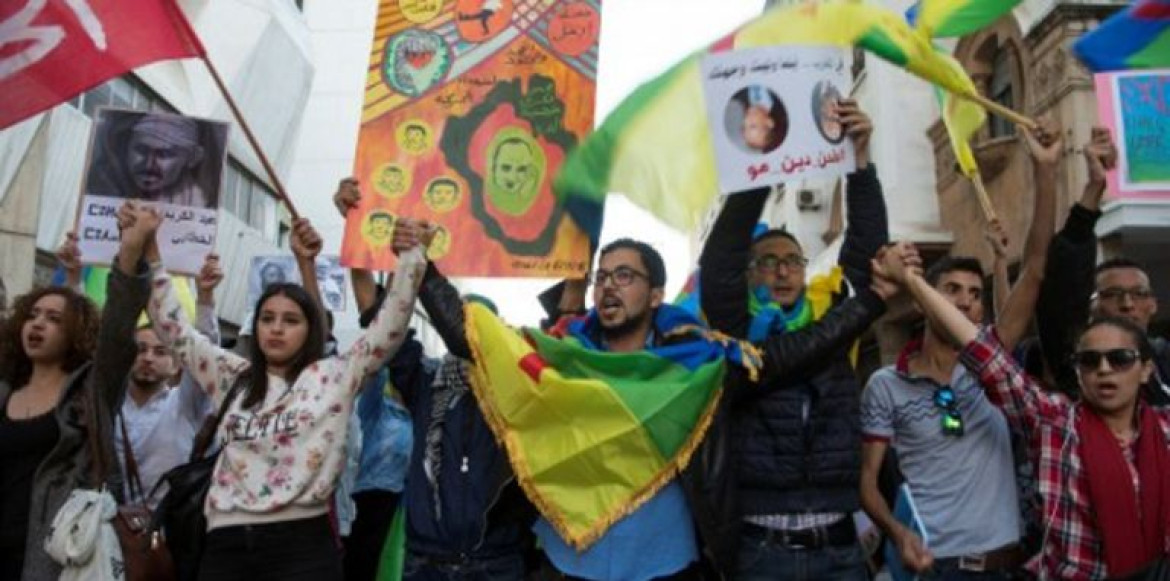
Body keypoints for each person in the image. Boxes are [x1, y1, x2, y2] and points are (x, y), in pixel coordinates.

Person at [130, 202, 429, 580]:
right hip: (225, 547)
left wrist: (411, 260)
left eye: (290, 320)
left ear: (310, 330)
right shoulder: (231, 375)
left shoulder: (335, 376)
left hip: (301, 548)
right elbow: (173, 329)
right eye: (267, 318)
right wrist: (150, 251)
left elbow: (389, 328)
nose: (276, 328)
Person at [880, 241, 1170, 580]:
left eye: (1120, 359)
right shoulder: (1055, 422)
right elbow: (982, 351)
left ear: (1146, 370)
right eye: (1090, 360)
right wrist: (912, 281)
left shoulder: (1165, 429)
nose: (1104, 369)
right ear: (1077, 371)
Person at [859, 121, 1062, 580]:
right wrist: (897, 532)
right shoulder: (885, 385)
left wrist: (1046, 172)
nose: (967, 302)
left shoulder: (991, 367)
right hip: (935, 568)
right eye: (951, 290)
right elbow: (868, 483)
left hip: (1008, 566)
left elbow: (1035, 269)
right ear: (925, 301)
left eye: (974, 293)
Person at [699, 98, 888, 581]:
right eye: (767, 262)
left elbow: (866, 255)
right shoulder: (733, 333)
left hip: (839, 550)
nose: (782, 271)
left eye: (792, 261)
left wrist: (860, 161)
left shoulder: (833, 315)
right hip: (762, 552)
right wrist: (760, 162)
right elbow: (721, 259)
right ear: (748, 274)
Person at [335, 180, 534, 580]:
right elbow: (378, 319)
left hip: (498, 563)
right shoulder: (426, 382)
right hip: (427, 563)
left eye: (482, 328)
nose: (469, 337)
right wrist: (357, 234)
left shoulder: (521, 392)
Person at [531, 238, 761, 580]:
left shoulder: (696, 365)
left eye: (624, 275)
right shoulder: (565, 359)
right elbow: (476, 343)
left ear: (655, 296)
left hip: (666, 561)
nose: (608, 285)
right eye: (601, 277)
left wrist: (854, 310)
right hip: (572, 559)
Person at [0, 202, 151, 580]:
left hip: (56, 558)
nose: (37, 324)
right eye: (32, 315)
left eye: (54, 319)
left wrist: (130, 252)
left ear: (77, 333)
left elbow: (119, 327)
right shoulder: (5, 390)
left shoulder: (91, 389)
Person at [117, 253, 224, 504]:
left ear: (178, 365)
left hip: (168, 524)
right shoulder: (109, 405)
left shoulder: (183, 405)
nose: (148, 358)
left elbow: (204, 355)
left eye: (160, 351)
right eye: (140, 350)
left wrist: (205, 297)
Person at [115, 113, 213, 207]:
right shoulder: (112, 189)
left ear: (192, 158)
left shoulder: (199, 203)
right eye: (141, 150)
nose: (149, 165)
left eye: (164, 154)